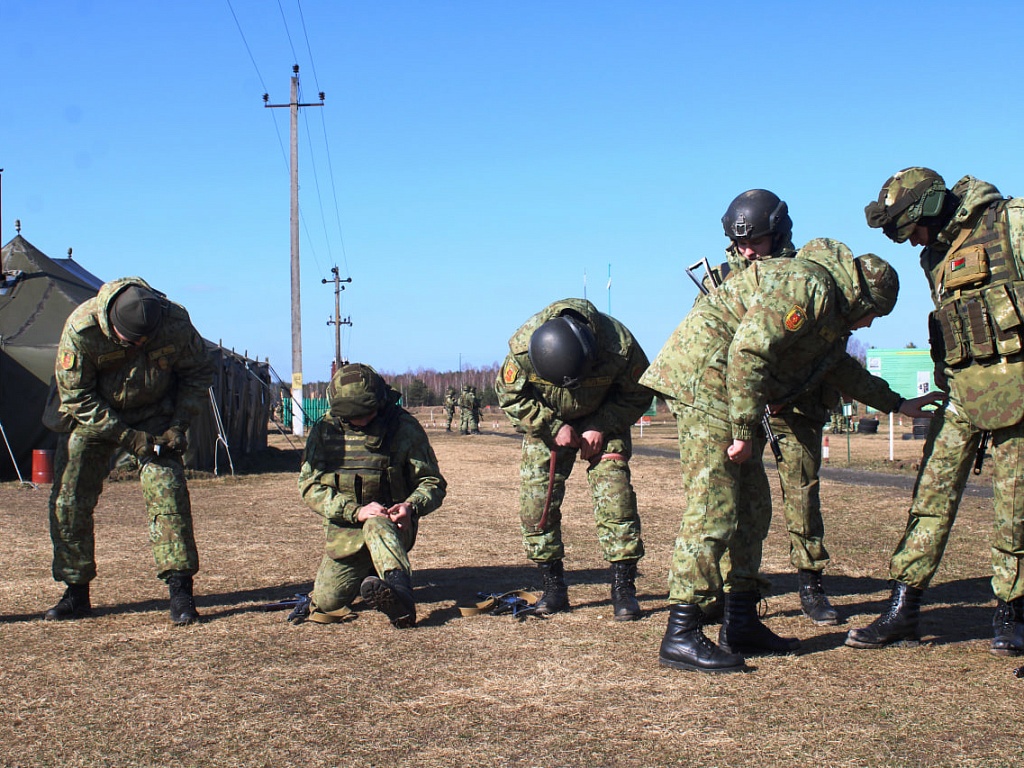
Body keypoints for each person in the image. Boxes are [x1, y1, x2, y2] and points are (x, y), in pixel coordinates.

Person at [641, 238, 941, 672]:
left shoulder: (829, 312)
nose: (871, 325)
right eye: (875, 314)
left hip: (727, 388)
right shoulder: (809, 285)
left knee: (754, 507)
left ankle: (740, 621)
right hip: (705, 381)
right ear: (863, 296)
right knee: (715, 507)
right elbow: (748, 350)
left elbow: (838, 367)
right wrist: (744, 430)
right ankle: (682, 632)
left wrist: (898, 404)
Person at [850, 167, 1024, 656]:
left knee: (1015, 508)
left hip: (1019, 391)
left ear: (927, 208)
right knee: (931, 495)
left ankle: (1013, 614)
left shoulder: (1012, 223)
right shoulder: (934, 255)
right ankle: (903, 607)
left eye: (911, 230)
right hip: (963, 395)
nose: (910, 243)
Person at [43, 277, 214, 625]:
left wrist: (179, 425)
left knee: (169, 495)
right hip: (93, 417)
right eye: (130, 341)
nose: (138, 344)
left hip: (155, 416)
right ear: (111, 326)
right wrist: (126, 436)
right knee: (69, 499)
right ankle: (76, 590)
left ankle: (181, 591)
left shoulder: (175, 323)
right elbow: (76, 396)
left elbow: (198, 373)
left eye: (145, 341)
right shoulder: (82, 329)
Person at [715, 189, 845, 625]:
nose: (747, 252)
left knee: (802, 490)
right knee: (734, 498)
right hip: (741, 402)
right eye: (740, 244)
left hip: (795, 400)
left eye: (756, 242)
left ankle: (811, 584)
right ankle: (733, 590)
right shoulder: (722, 280)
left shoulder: (801, 276)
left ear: (780, 234)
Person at [495, 298, 652, 621]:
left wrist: (601, 424)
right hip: (548, 422)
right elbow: (510, 395)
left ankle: (624, 590)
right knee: (536, 505)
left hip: (604, 419)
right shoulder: (523, 349)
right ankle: (553, 589)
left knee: (617, 501)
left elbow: (639, 392)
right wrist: (552, 426)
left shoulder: (619, 345)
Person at [296, 363, 446, 628]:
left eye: (366, 412)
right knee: (328, 602)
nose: (361, 420)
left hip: (391, 528)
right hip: (346, 534)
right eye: (352, 415)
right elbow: (309, 486)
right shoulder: (324, 432)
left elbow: (432, 482)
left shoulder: (403, 428)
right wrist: (354, 511)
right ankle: (368, 574)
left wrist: (411, 505)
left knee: (377, 522)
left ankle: (401, 597)